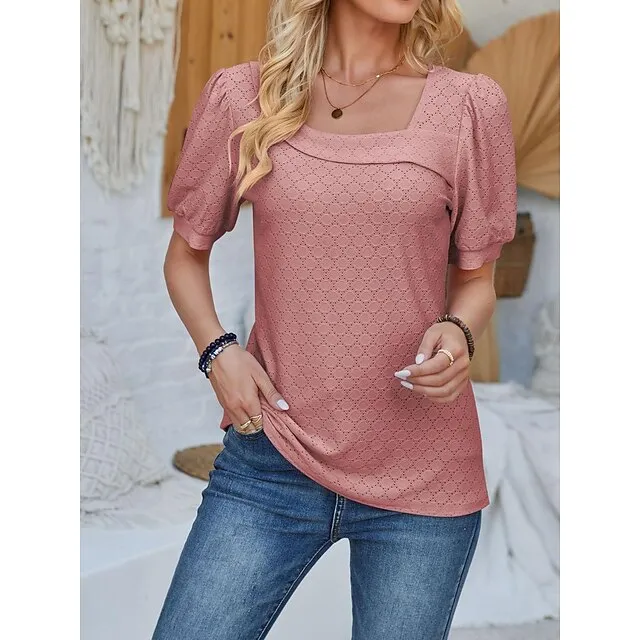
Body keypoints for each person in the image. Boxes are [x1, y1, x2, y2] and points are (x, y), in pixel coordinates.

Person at [152, 0, 517, 638]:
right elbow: (185, 257)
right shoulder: (245, 96)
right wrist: (218, 353)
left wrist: (458, 331)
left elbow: (476, 283)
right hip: (272, 459)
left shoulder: (469, 106)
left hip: (423, 473)